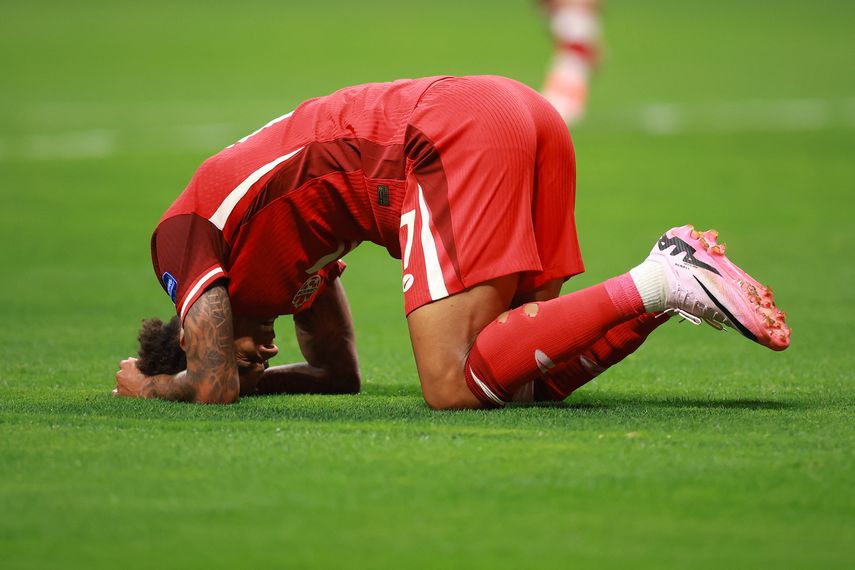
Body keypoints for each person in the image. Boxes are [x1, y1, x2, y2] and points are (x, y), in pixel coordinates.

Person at [113, 75, 790, 409]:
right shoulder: (284, 280)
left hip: (440, 136)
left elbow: (213, 385)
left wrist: (154, 386)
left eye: (246, 354)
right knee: (525, 385)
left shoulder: (181, 239)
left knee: (447, 384)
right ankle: (670, 290)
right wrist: (252, 380)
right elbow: (339, 378)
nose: (264, 354)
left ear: (190, 326)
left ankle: (663, 276)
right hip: (515, 113)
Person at [539, 0, 603, 124]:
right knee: (573, 60)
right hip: (570, 16)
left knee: (574, 61)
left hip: (573, 18)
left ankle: (564, 106)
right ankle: (559, 108)